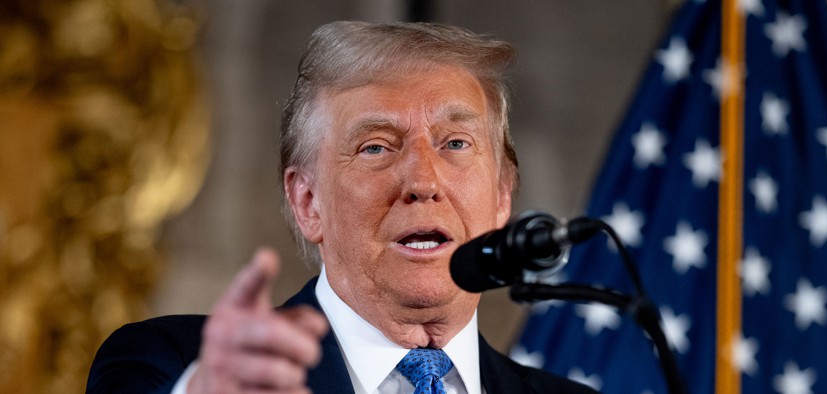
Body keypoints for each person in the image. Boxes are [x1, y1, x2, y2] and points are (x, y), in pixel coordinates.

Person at [87, 21, 597, 394]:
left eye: (456, 143)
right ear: (307, 201)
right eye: (376, 146)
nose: (423, 181)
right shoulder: (169, 362)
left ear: (503, 196)